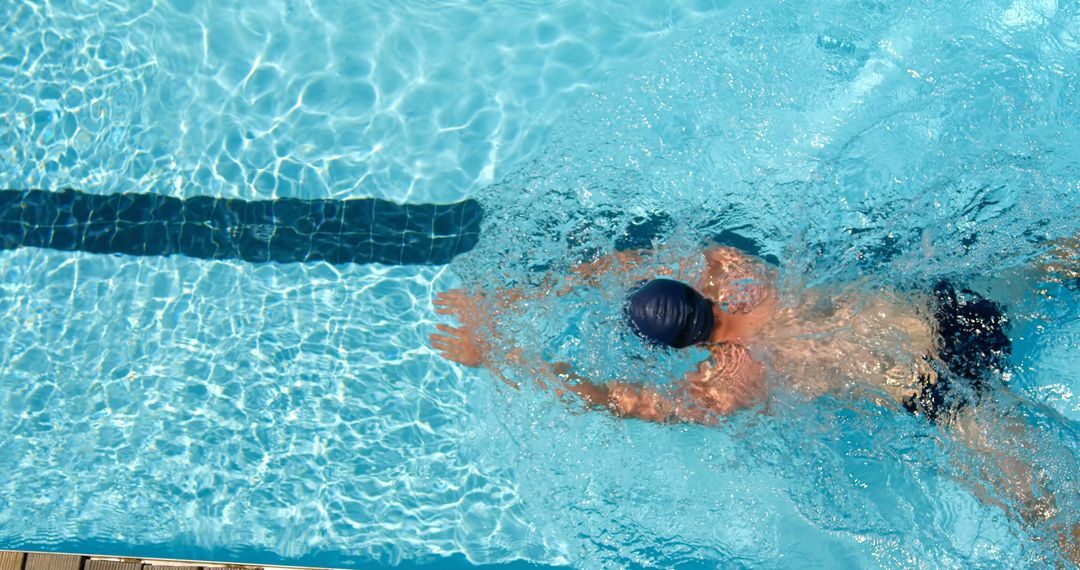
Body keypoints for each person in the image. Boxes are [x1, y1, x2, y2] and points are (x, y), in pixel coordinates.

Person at [429, 240, 1079, 562]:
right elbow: (628, 258)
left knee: (1039, 509)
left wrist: (500, 353)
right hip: (944, 309)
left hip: (934, 391)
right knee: (1054, 263)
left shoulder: (728, 382)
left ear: (676, 350)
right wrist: (515, 295)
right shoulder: (744, 276)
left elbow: (617, 399)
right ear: (696, 290)